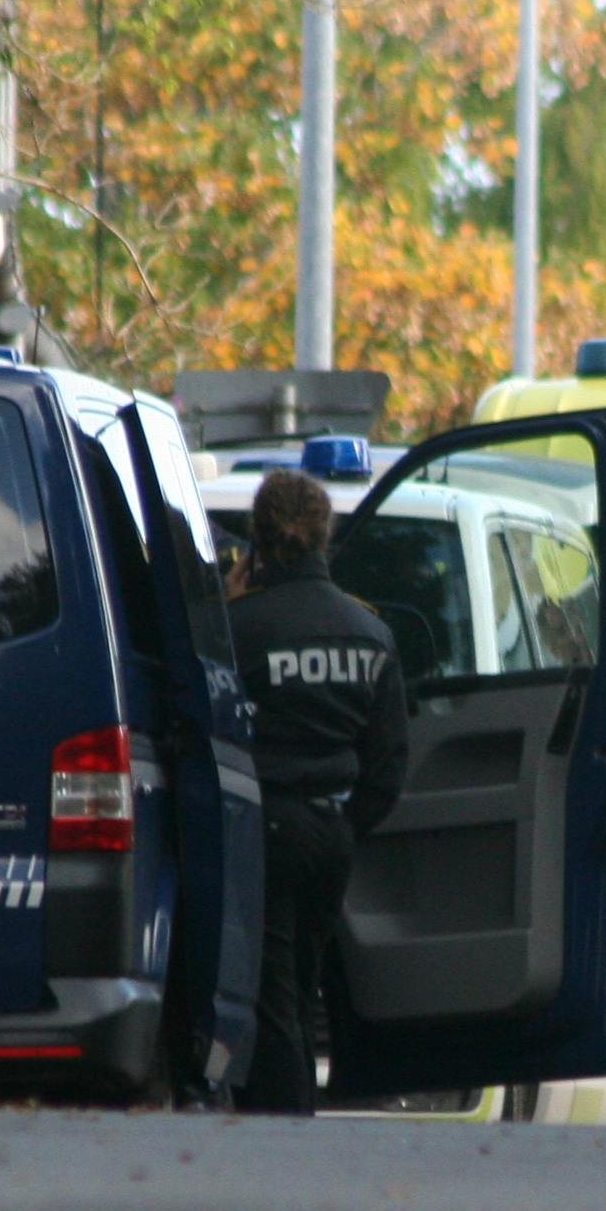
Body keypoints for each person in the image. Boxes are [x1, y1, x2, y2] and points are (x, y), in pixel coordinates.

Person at [225, 468, 410, 1116]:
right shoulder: (371, 633)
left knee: (270, 991)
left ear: (258, 540)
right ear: (325, 536)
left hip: (261, 829)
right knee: (300, 989)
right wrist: (344, 823)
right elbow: (388, 765)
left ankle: (282, 1130)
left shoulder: (237, 629)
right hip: (330, 833)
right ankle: (295, 1114)